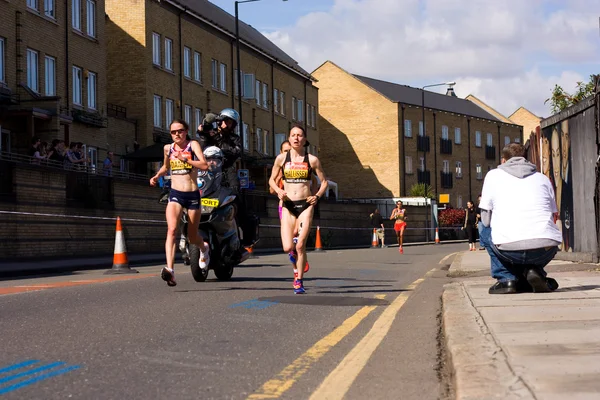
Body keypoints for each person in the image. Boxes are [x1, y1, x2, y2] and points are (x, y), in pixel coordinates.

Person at [479, 143, 561, 294]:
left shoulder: (493, 176)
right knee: (545, 232)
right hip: (544, 249)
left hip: (509, 249)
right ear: (526, 159)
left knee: (482, 228)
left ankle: (506, 279)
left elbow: (485, 219)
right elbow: (552, 215)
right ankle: (534, 272)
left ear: (503, 160)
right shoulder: (542, 178)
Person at [150, 119, 210, 287]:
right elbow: (166, 166)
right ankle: (170, 270)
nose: (177, 134)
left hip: (192, 195)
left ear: (186, 131)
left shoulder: (193, 145)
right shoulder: (168, 148)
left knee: (192, 237)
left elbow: (204, 165)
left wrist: (186, 160)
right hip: (175, 194)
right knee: (171, 229)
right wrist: (157, 176)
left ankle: (204, 248)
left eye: (180, 131)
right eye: (173, 132)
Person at [269, 125, 328, 294]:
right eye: (293, 135)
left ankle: (299, 281)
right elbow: (271, 180)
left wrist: (316, 196)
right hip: (287, 205)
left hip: (305, 204)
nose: (296, 138)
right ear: (288, 138)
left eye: (299, 135)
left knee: (301, 245)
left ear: (304, 139)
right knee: (288, 247)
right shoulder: (281, 159)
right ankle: (295, 254)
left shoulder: (312, 160)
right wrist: (279, 190)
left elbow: (324, 182)